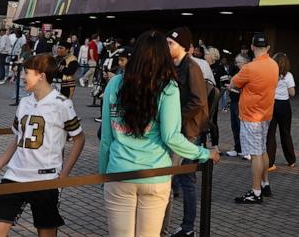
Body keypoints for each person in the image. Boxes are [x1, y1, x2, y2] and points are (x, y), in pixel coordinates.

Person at [99, 31, 220, 237]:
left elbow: (106, 139)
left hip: (119, 173)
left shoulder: (115, 84)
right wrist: (205, 153)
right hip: (154, 175)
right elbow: (171, 137)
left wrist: (104, 174)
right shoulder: (167, 87)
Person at [0, 54, 85, 236]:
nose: (22, 76)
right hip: (14, 175)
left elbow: (79, 139)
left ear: (41, 76)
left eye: (27, 72)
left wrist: (64, 175)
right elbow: (16, 141)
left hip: (45, 179)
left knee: (46, 232)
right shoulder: (24, 102)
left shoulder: (62, 104)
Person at [165, 27, 210, 237]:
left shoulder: (191, 68)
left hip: (188, 131)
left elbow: (199, 101)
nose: (168, 47)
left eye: (171, 43)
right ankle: (184, 226)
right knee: (180, 179)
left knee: (180, 179)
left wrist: (174, 117)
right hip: (178, 130)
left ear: (183, 46)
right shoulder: (174, 65)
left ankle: (187, 226)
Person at [230, 33, 279, 204]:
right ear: (268, 48)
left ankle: (256, 191)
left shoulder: (249, 68)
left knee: (256, 154)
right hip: (266, 114)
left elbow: (233, 83)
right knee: (262, 150)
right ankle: (265, 184)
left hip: (251, 116)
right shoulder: (274, 64)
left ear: (251, 47)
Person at [266, 52, 297, 170]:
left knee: (270, 134)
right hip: (284, 105)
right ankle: (291, 160)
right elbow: (292, 93)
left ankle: (269, 163)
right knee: (285, 133)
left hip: (271, 104)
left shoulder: (269, 74)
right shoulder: (288, 75)